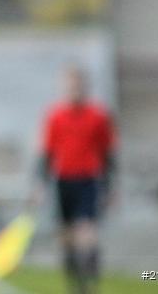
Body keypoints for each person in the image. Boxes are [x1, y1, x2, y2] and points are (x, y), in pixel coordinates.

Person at [33, 66, 116, 294]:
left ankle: (91, 272)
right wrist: (40, 185)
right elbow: (47, 153)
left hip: (88, 178)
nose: (74, 91)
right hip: (63, 180)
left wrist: (110, 188)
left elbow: (107, 153)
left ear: (84, 88)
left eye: (77, 86)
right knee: (67, 236)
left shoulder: (98, 116)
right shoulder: (55, 116)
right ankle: (75, 283)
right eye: (70, 87)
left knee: (87, 230)